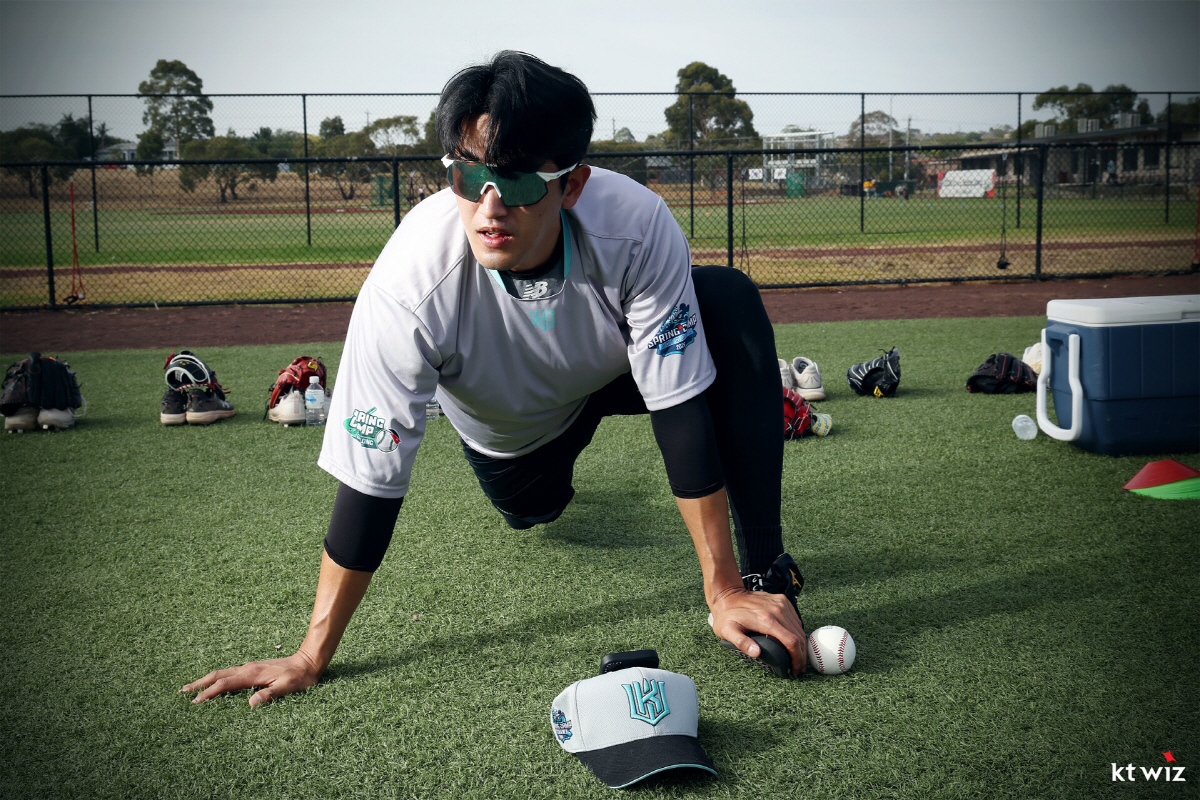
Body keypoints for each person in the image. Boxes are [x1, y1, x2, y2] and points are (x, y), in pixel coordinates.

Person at [181, 51, 808, 707]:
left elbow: (679, 405)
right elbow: (372, 479)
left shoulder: (637, 226)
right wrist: (311, 654)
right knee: (534, 510)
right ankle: (547, 496)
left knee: (727, 300)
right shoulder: (409, 286)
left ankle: (766, 572)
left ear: (573, 185)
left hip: (613, 365)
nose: (489, 205)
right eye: (467, 175)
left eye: (517, 182)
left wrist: (724, 588)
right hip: (522, 434)